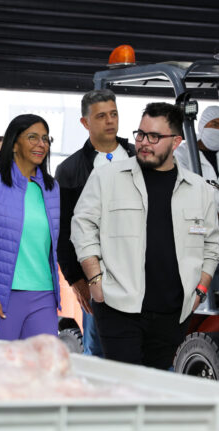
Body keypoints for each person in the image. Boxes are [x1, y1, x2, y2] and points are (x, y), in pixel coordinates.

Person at [71, 102, 219, 369]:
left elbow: (211, 243)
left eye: (154, 136)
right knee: (125, 389)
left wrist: (201, 288)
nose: (143, 143)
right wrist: (94, 278)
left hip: (173, 311)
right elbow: (82, 225)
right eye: (140, 134)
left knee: (155, 390)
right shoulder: (108, 177)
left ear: (176, 142)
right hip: (118, 306)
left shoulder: (199, 189)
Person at [0, 114, 61, 340]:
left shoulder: (51, 188)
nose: (41, 144)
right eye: (33, 137)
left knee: (42, 368)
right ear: (14, 143)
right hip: (0, 297)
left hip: (44, 295)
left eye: (45, 139)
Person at [55, 89, 136, 357]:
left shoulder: (141, 158)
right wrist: (76, 279)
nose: (110, 121)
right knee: (100, 352)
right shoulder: (69, 170)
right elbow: (64, 230)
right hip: (97, 276)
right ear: (85, 122)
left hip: (143, 273)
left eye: (114, 114)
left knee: (149, 352)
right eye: (101, 116)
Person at [174, 106, 219, 232]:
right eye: (215, 124)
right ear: (202, 125)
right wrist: (216, 218)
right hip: (196, 228)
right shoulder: (181, 155)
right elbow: (181, 194)